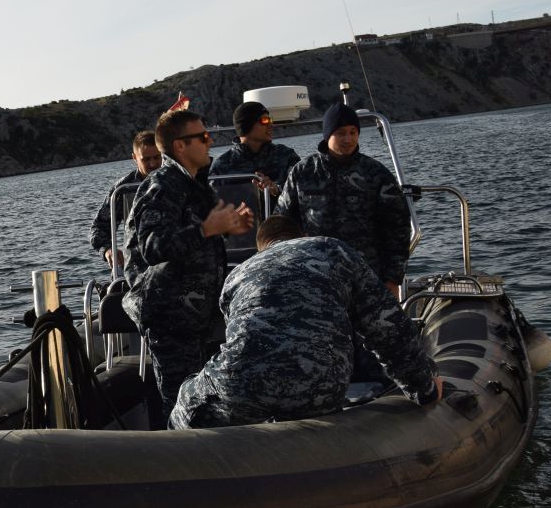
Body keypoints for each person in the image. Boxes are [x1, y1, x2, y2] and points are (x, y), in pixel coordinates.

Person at [170, 217, 440, 429]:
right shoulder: (333, 249)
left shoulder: (239, 274)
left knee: (185, 402)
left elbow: (242, 338)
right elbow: (388, 327)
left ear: (261, 247)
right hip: (322, 385)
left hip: (244, 385)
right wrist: (423, 388)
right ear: (302, 236)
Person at [122, 107, 254, 424]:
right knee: (179, 403)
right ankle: (178, 453)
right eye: (203, 137)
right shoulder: (162, 186)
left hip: (197, 314)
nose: (210, 142)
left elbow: (196, 235)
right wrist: (207, 229)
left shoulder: (194, 185)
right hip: (171, 316)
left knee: (202, 401)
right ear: (180, 146)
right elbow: (152, 247)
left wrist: (228, 227)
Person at [275, 100, 411, 294]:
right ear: (327, 135)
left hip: (366, 275)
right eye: (341, 133)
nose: (348, 139)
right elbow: (282, 222)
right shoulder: (303, 172)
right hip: (315, 275)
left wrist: (393, 279)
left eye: (353, 132)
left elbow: (398, 227)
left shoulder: (376, 173)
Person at [90, 130, 161, 268]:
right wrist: (108, 250)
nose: (152, 163)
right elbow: (99, 227)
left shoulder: (179, 179)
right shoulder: (123, 189)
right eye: (146, 159)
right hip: (139, 267)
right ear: (134, 158)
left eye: (157, 157)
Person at [209, 100, 300, 202]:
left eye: (270, 120)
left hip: (280, 212)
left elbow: (303, 189)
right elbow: (212, 203)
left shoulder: (286, 156)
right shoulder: (221, 168)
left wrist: (277, 189)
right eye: (265, 120)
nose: (271, 125)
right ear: (246, 125)